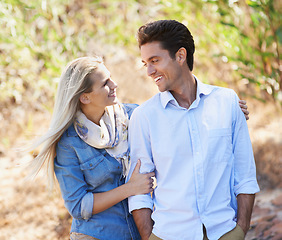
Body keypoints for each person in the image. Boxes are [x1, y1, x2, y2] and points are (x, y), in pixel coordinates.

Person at [126, 20, 259, 240]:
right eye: (145, 63)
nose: (149, 71)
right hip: (169, 234)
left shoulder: (227, 103)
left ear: (180, 55)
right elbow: (139, 191)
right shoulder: (144, 117)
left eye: (155, 60)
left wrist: (241, 228)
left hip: (223, 231)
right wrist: (148, 237)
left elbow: (244, 174)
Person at [28, 56, 155, 240]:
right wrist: (130, 188)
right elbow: (79, 206)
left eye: (110, 77)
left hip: (139, 231)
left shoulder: (133, 116)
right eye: (105, 83)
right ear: (85, 97)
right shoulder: (69, 142)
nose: (114, 84)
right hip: (96, 234)